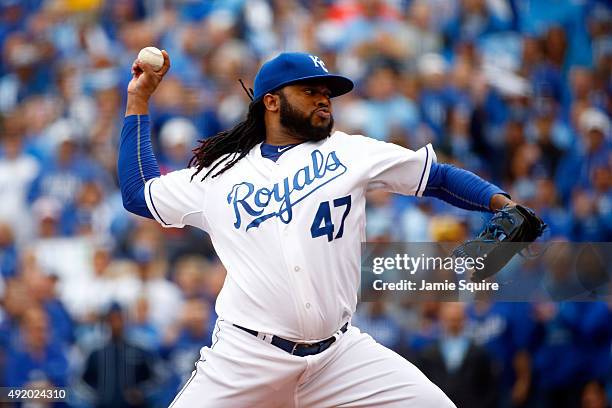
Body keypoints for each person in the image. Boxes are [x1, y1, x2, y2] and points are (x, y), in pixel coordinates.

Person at [117, 50, 521, 407]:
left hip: (339, 357)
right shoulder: (219, 176)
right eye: (309, 90)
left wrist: (502, 203)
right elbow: (139, 192)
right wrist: (138, 99)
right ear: (271, 102)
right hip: (246, 359)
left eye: (327, 91)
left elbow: (437, 177)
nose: (323, 97)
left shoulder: (349, 151)